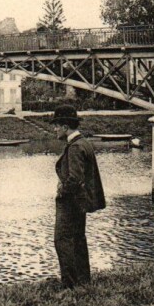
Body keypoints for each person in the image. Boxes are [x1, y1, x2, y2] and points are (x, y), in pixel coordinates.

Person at [50, 105, 106, 289]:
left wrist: (61, 190)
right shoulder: (84, 143)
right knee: (78, 239)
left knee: (62, 240)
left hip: (70, 203)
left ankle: (70, 284)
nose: (55, 129)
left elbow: (75, 178)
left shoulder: (74, 147)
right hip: (80, 201)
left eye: (57, 125)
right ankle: (83, 281)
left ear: (65, 126)